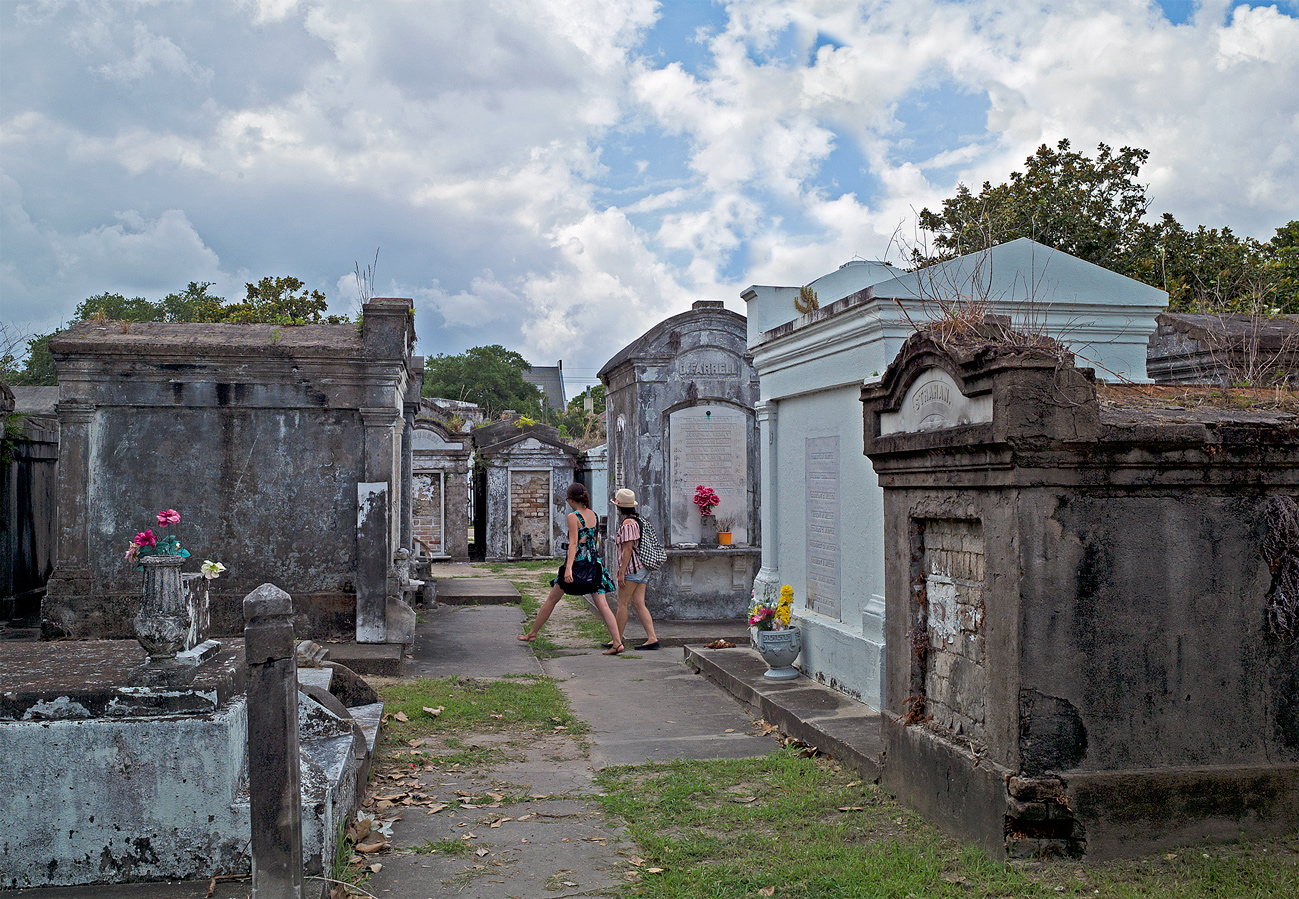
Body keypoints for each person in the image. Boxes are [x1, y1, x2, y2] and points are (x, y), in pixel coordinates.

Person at [518, 482, 625, 654]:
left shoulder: (573, 517)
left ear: (570, 499)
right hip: (594, 564)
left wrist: (568, 569)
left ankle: (532, 633)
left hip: (578, 563)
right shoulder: (594, 515)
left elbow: (573, 544)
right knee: (603, 606)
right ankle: (617, 642)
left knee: (551, 600)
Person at [609, 488, 661, 651]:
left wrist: (622, 572)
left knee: (622, 604)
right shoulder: (637, 520)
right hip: (642, 567)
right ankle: (652, 638)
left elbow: (628, 549)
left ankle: (616, 641)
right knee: (638, 603)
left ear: (619, 507)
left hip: (633, 568)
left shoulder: (627, 524)